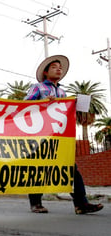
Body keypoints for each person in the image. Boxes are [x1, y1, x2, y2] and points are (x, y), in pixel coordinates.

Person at [24, 55, 104, 215]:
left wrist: (78, 107)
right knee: (38, 168)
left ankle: (81, 203)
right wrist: (43, 102)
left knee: (70, 169)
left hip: (59, 137)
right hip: (41, 136)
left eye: (60, 67)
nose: (59, 69)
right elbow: (24, 106)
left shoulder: (62, 91)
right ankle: (35, 203)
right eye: (54, 67)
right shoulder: (38, 88)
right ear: (45, 72)